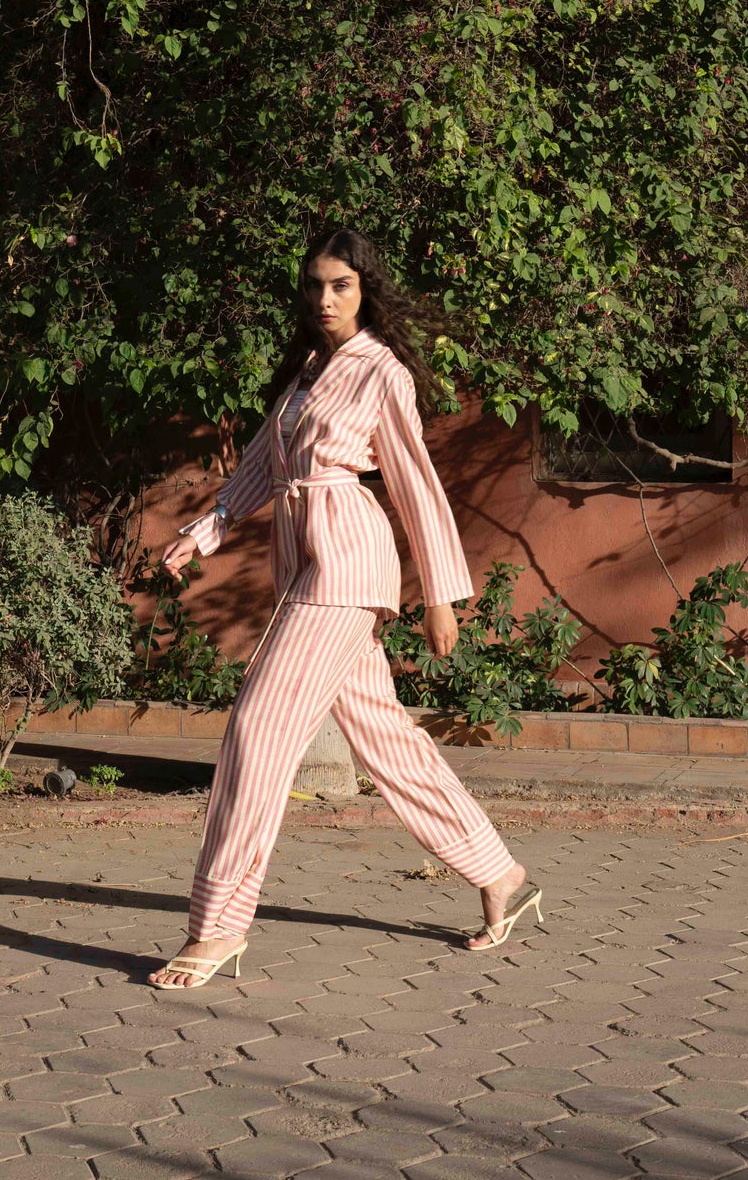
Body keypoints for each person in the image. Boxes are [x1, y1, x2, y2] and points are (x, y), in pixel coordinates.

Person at [147, 228, 542, 990]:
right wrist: (207, 528)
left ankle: (218, 927)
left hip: (348, 564)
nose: (325, 300)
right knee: (385, 739)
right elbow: (263, 463)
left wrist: (438, 598)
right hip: (301, 562)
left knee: (257, 729)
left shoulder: (380, 373)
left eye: (341, 286)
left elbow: (415, 484)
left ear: (365, 291)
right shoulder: (305, 369)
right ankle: (501, 876)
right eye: (315, 286)